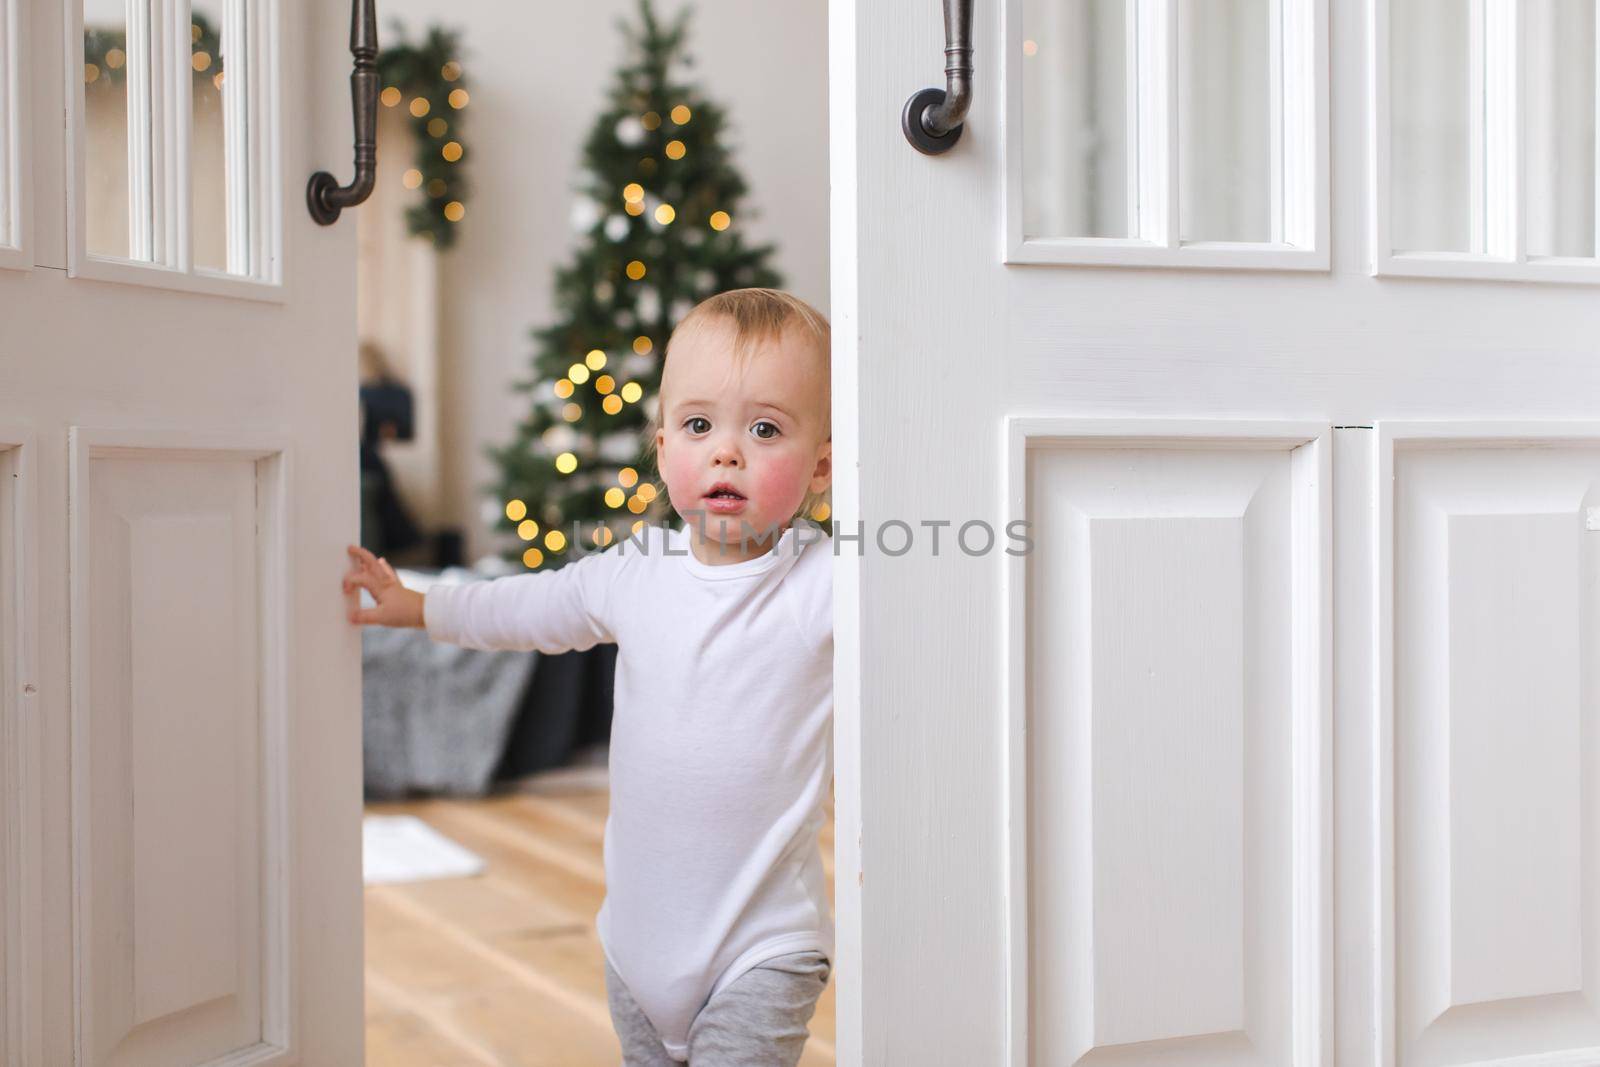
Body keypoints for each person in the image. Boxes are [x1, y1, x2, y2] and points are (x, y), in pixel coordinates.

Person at [343, 287, 835, 1066]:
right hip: (634, 947)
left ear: (822, 466)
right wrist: (420, 607)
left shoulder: (822, 583)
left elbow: (927, 619)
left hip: (762, 945)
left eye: (765, 429)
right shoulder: (635, 572)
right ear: (663, 441)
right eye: (699, 425)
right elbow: (526, 606)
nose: (726, 451)